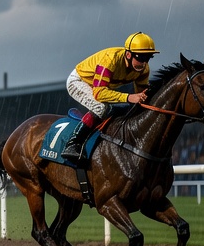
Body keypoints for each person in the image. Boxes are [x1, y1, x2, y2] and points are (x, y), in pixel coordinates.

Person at [61, 32, 157, 165]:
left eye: (148, 58)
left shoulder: (143, 69)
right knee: (101, 108)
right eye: (140, 57)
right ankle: (72, 144)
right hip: (79, 81)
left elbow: (142, 96)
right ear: (128, 54)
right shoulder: (110, 60)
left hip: (99, 87)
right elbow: (99, 94)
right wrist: (129, 97)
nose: (143, 63)